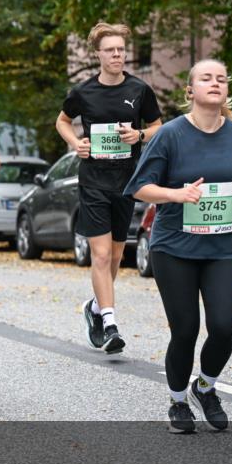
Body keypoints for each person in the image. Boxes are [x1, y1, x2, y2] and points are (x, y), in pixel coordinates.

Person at [125, 59, 232, 434]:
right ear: (191, 90)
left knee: (224, 327)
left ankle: (206, 387)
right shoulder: (170, 134)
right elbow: (139, 187)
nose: (215, 82)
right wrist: (176, 193)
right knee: (185, 329)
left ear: (226, 90)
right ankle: (178, 401)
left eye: (221, 78)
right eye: (206, 78)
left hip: (223, 248)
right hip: (175, 247)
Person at [55, 22, 163, 354]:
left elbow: (158, 126)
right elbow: (61, 121)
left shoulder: (139, 90)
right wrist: (76, 143)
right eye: (110, 50)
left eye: (121, 50)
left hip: (127, 181)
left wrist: (139, 136)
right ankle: (111, 324)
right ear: (98, 54)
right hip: (94, 182)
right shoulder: (83, 92)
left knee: (116, 254)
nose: (117, 55)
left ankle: (95, 308)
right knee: (100, 255)